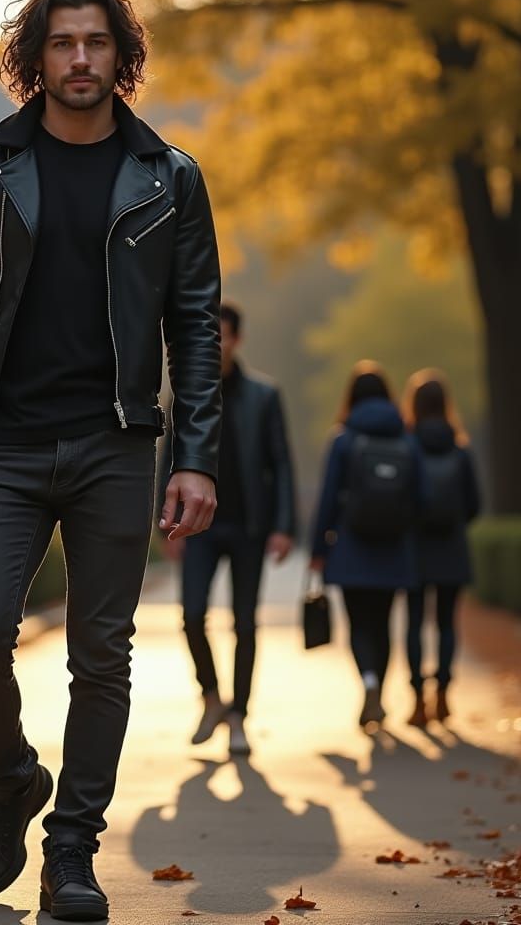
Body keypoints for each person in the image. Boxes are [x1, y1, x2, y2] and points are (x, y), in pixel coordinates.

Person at [0, 0, 222, 922]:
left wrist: (196, 455)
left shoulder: (171, 178)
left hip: (115, 444)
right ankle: (10, 779)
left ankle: (72, 854)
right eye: (61, 43)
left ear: (120, 56)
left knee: (102, 657)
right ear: (35, 57)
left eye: (95, 43)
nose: (79, 59)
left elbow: (196, 325)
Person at [161, 302, 296, 756]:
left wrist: (283, 526)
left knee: (245, 623)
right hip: (198, 527)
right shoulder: (185, 394)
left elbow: (281, 464)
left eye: (221, 337)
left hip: (249, 527)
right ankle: (211, 697)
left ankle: (239, 716)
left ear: (237, 339)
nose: (213, 346)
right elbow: (169, 461)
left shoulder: (264, 395)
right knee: (192, 616)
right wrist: (165, 525)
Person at [309, 361, 422, 730]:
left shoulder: (344, 439)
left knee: (358, 624)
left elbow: (327, 499)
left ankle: (369, 685)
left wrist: (318, 550)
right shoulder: (406, 439)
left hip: (352, 546)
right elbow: (420, 496)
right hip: (393, 547)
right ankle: (382, 694)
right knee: (384, 623)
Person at [401, 369, 481, 726]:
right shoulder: (460, 450)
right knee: (447, 624)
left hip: (414, 547)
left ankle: (417, 699)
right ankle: (444, 694)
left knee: (414, 623)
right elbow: (474, 504)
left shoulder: (406, 446)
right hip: (451, 547)